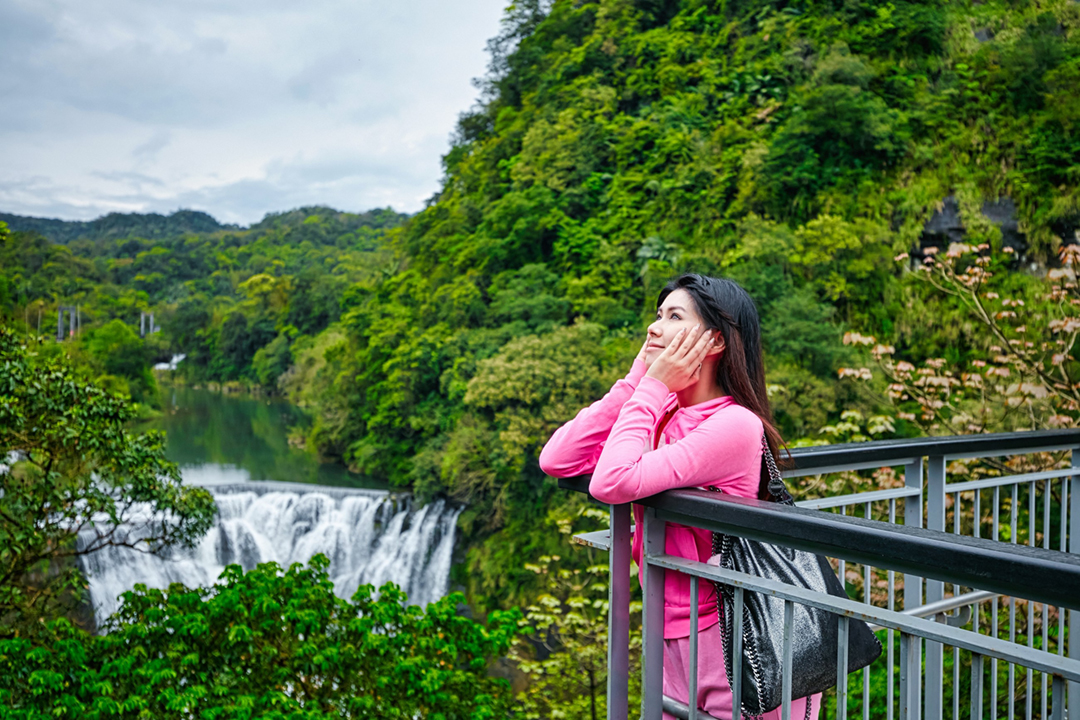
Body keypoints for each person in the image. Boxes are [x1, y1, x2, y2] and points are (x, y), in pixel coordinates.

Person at [539, 273, 820, 720]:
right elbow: (558, 458)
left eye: (673, 316)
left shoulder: (733, 425)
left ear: (713, 342)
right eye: (657, 315)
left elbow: (611, 481)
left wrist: (650, 389)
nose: (653, 328)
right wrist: (638, 380)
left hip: (737, 635)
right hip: (670, 628)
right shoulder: (660, 410)